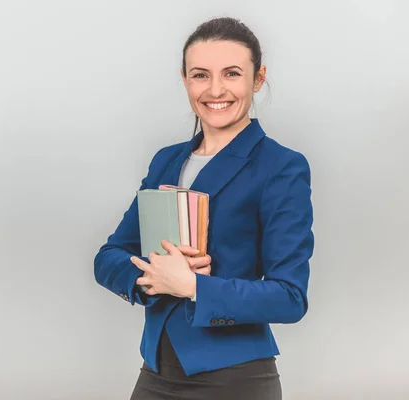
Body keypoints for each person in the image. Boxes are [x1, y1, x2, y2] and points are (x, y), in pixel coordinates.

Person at [93, 16, 314, 400]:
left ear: (257, 79)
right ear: (184, 80)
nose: (215, 89)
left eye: (231, 73)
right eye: (200, 75)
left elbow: (289, 297)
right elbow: (109, 256)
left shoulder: (280, 166)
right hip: (157, 371)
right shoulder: (166, 161)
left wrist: (193, 286)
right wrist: (151, 279)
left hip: (235, 378)